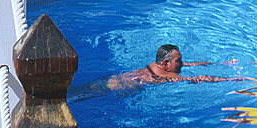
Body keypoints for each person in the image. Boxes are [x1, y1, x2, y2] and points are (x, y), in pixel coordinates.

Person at [103, 44, 240, 90]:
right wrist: (230, 80)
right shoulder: (169, 76)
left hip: (112, 79)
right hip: (115, 88)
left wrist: (221, 64)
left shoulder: (153, 65)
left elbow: (190, 64)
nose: (181, 64)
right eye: (178, 61)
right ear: (166, 64)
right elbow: (200, 78)